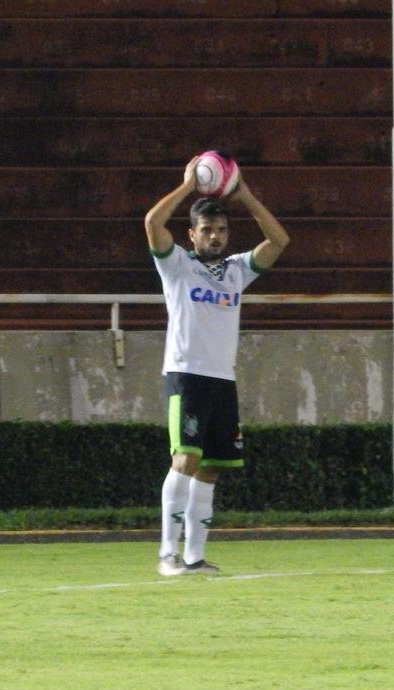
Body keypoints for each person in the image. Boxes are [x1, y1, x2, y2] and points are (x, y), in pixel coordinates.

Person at [144, 155, 289, 576]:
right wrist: (188, 187)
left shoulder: (236, 271)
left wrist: (244, 197)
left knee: (210, 470)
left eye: (221, 230)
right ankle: (167, 555)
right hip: (186, 375)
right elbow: (153, 222)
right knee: (184, 460)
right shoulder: (177, 265)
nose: (215, 236)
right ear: (192, 234)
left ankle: (195, 557)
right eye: (206, 230)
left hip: (222, 379)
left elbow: (279, 241)